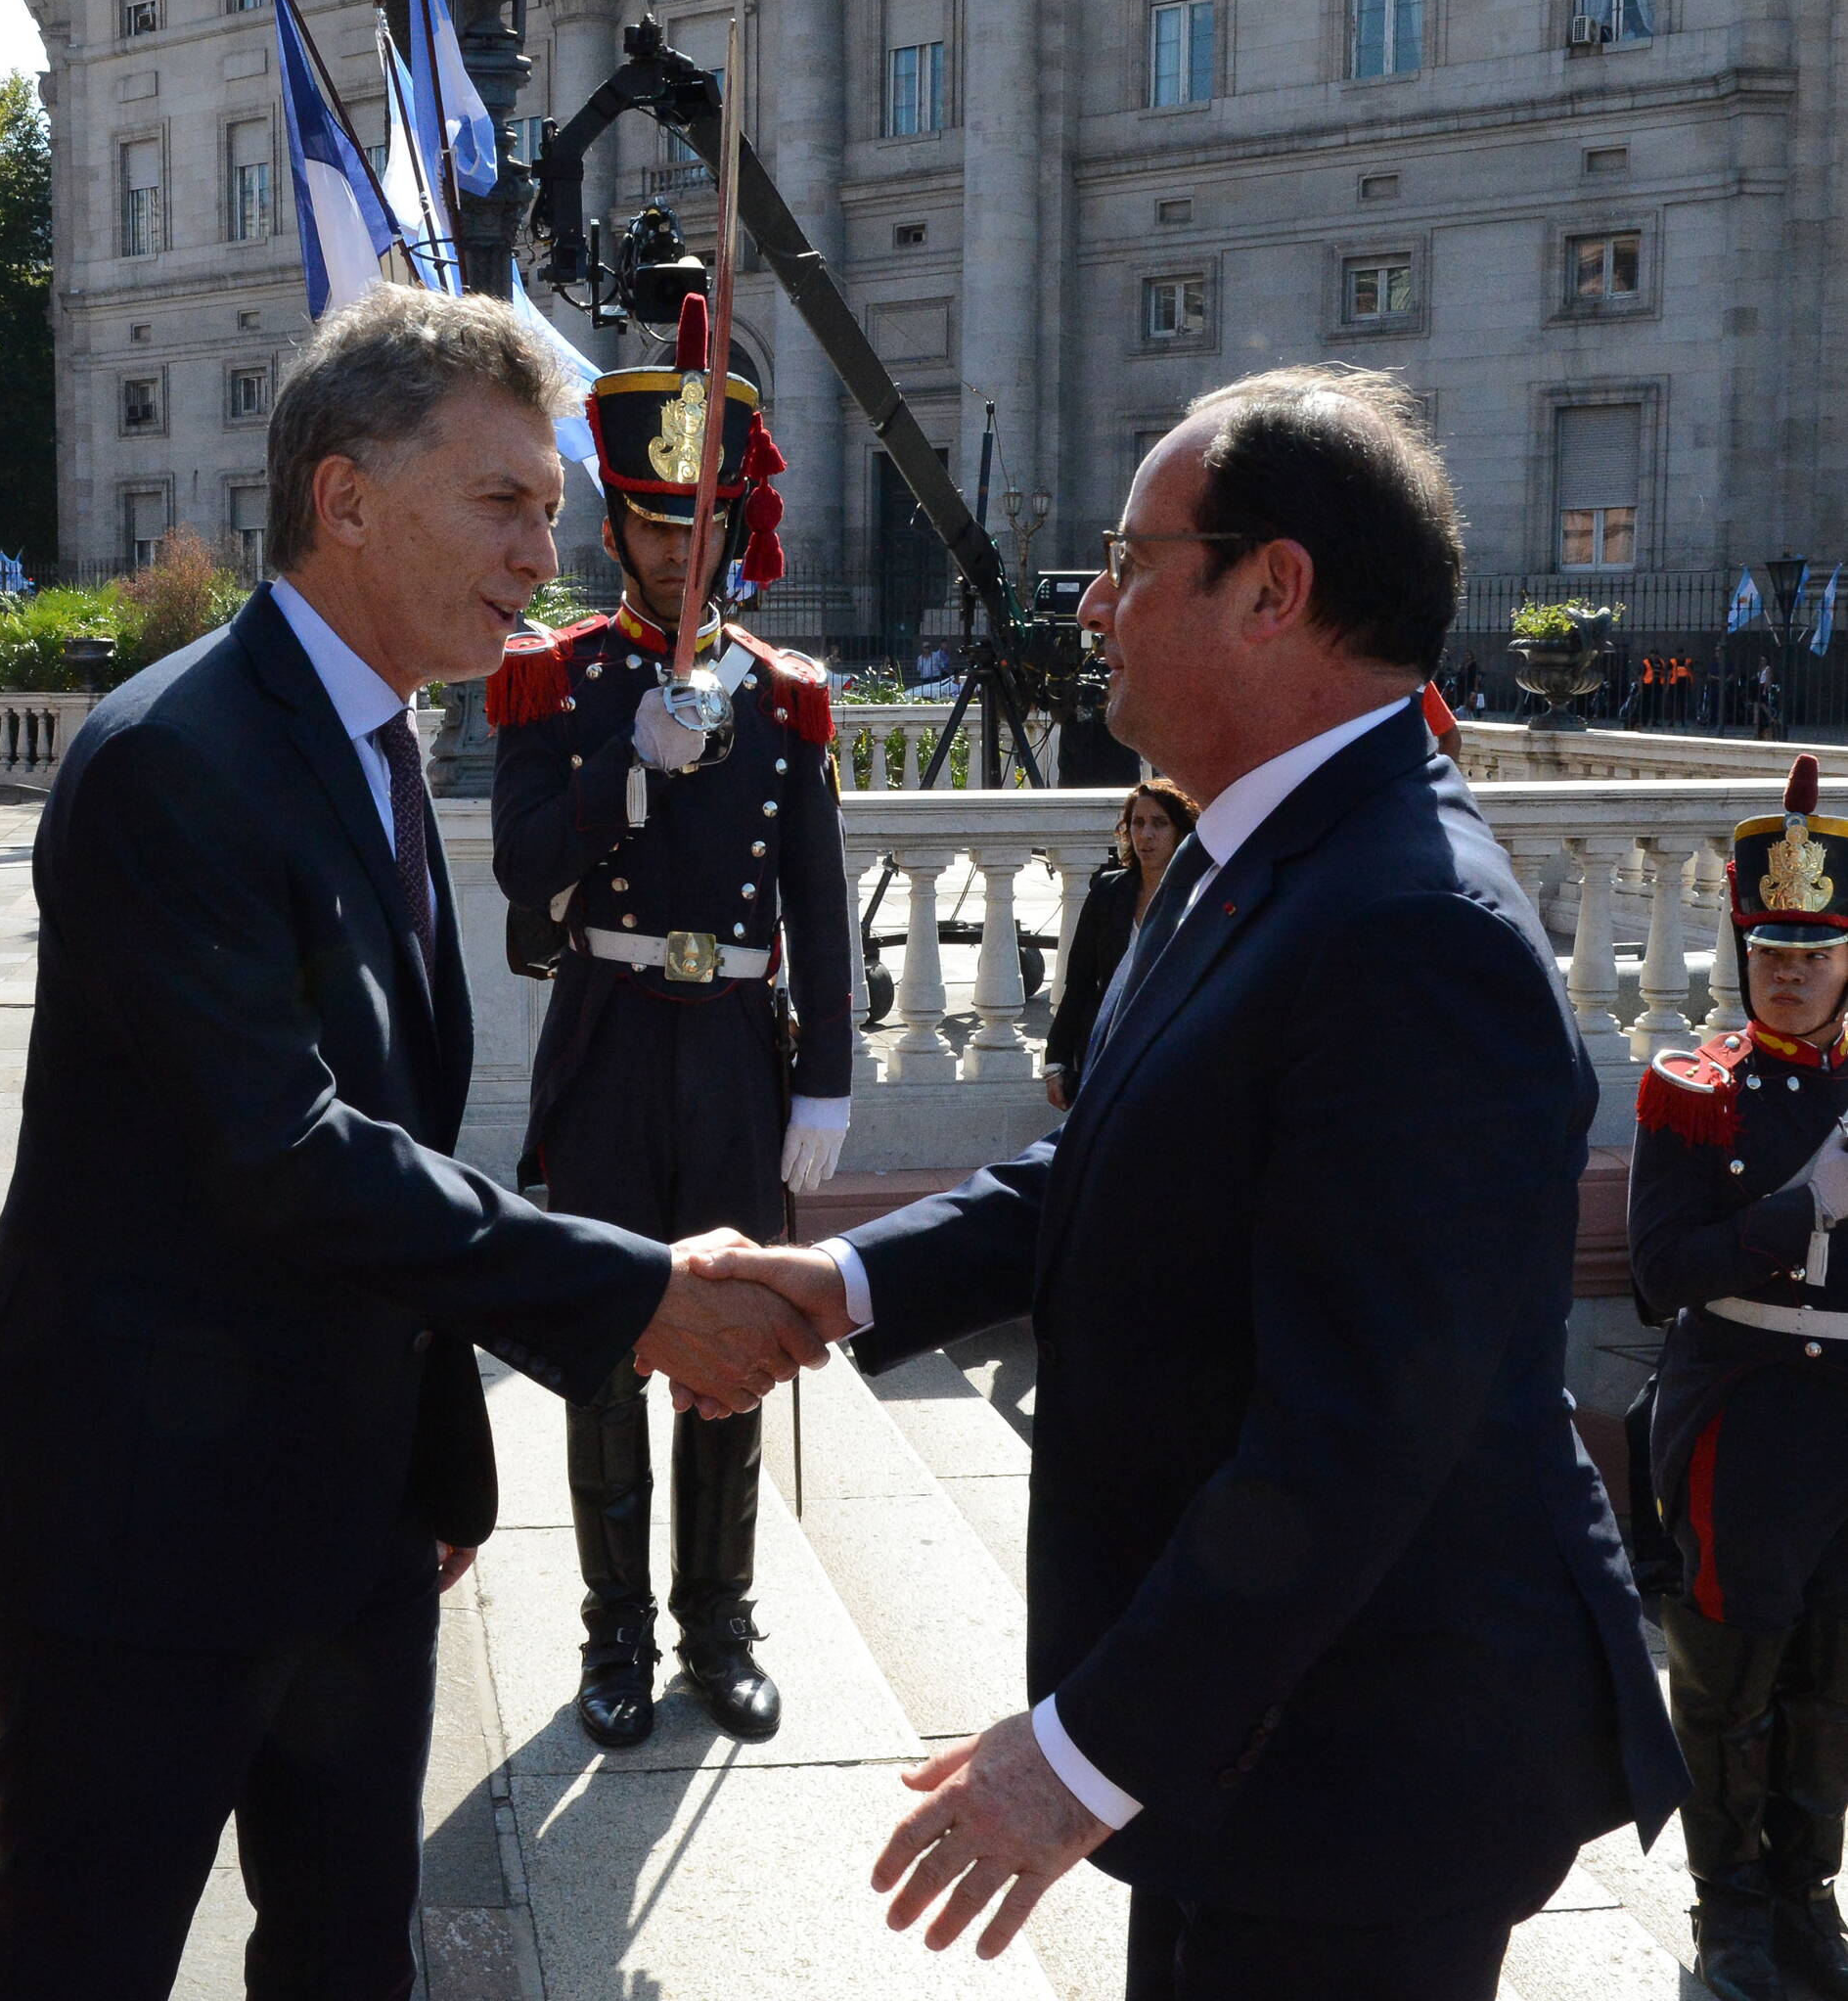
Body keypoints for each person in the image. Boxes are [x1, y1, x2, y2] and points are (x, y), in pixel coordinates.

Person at [686, 364, 1689, 2000]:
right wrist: (854, 1281)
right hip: (1260, 1749)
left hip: (1366, 1773)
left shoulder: (1416, 931)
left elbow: (1358, 1428)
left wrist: (1079, 1754)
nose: (1092, 600)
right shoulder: (1260, 845)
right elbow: (1117, 1151)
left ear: (1272, 592)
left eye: (1135, 558)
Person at [0, 285, 824, 1999]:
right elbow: (287, 1151)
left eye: (552, 514)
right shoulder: (171, 760)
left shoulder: (378, 738)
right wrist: (639, 1288)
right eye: (504, 501)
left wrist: (430, 1464)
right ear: (346, 498)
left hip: (350, 1524)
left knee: (356, 1950)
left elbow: (400, 1129)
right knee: (85, 1950)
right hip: (143, 1525)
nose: (544, 550)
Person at [489, 299, 853, 1751]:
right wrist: (632, 776)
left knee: (737, 1343)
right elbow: (526, 870)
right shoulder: (558, 679)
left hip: (731, 1059)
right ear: (619, 533)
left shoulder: (784, 699)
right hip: (612, 1032)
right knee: (602, 1348)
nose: (675, 554)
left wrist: (824, 1083)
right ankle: (616, 1631)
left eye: (697, 528)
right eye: (650, 527)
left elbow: (816, 905)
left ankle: (718, 1621)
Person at [1629, 755, 1848, 2001]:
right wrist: (1793, 1209)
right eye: (1770, 949)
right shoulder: (1691, 1088)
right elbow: (1663, 1274)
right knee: (1729, 1681)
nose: (1789, 968)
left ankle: (1805, 1891)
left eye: (1813, 953)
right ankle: (1732, 1910)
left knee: (1830, 1677)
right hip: (1744, 1419)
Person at [1043, 779, 1198, 1111]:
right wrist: (1056, 1060)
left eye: (1159, 823)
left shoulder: (1199, 894)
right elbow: (1080, 982)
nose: (1146, 835)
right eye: (1137, 823)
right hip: (1106, 1050)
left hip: (1171, 1053)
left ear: (1180, 831)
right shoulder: (1108, 891)